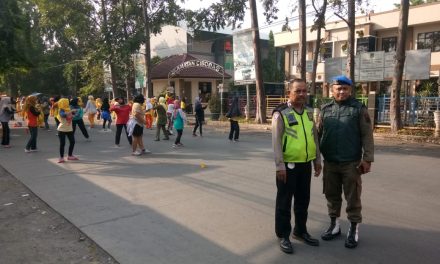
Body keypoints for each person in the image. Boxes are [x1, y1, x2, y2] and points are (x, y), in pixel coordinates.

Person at [317, 75, 374, 249]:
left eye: (345, 88)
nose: (341, 91)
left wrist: (367, 159)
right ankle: (334, 225)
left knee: (353, 197)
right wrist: (316, 159)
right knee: (331, 195)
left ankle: (353, 228)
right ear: (332, 90)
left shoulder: (358, 109)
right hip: (330, 163)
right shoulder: (324, 109)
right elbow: (318, 135)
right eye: (338, 88)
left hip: (351, 163)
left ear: (350, 90)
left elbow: (367, 135)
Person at [272, 79, 322, 254]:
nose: (302, 94)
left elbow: (314, 136)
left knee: (303, 200)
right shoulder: (281, 113)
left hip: (305, 164)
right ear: (289, 93)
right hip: (287, 166)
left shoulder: (309, 112)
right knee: (284, 202)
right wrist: (280, 166)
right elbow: (276, 141)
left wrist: (317, 160)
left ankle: (300, 231)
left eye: (304, 91)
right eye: (298, 91)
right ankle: (283, 235)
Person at [57, 98, 78, 163]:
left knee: (72, 142)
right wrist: (71, 111)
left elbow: (72, 116)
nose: (67, 103)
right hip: (62, 129)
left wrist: (75, 113)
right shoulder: (61, 110)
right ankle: (61, 157)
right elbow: (63, 115)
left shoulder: (69, 109)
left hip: (69, 129)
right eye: (66, 102)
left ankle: (70, 155)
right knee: (62, 144)